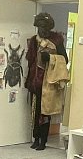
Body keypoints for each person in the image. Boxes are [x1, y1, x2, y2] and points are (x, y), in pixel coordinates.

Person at [24, 12, 67, 150]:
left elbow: (64, 59)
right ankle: (36, 138)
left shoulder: (57, 40)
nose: (43, 30)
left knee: (45, 112)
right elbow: (30, 61)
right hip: (35, 82)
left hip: (49, 82)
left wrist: (51, 58)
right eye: (40, 27)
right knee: (35, 112)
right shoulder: (33, 40)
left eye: (45, 28)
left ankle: (43, 140)